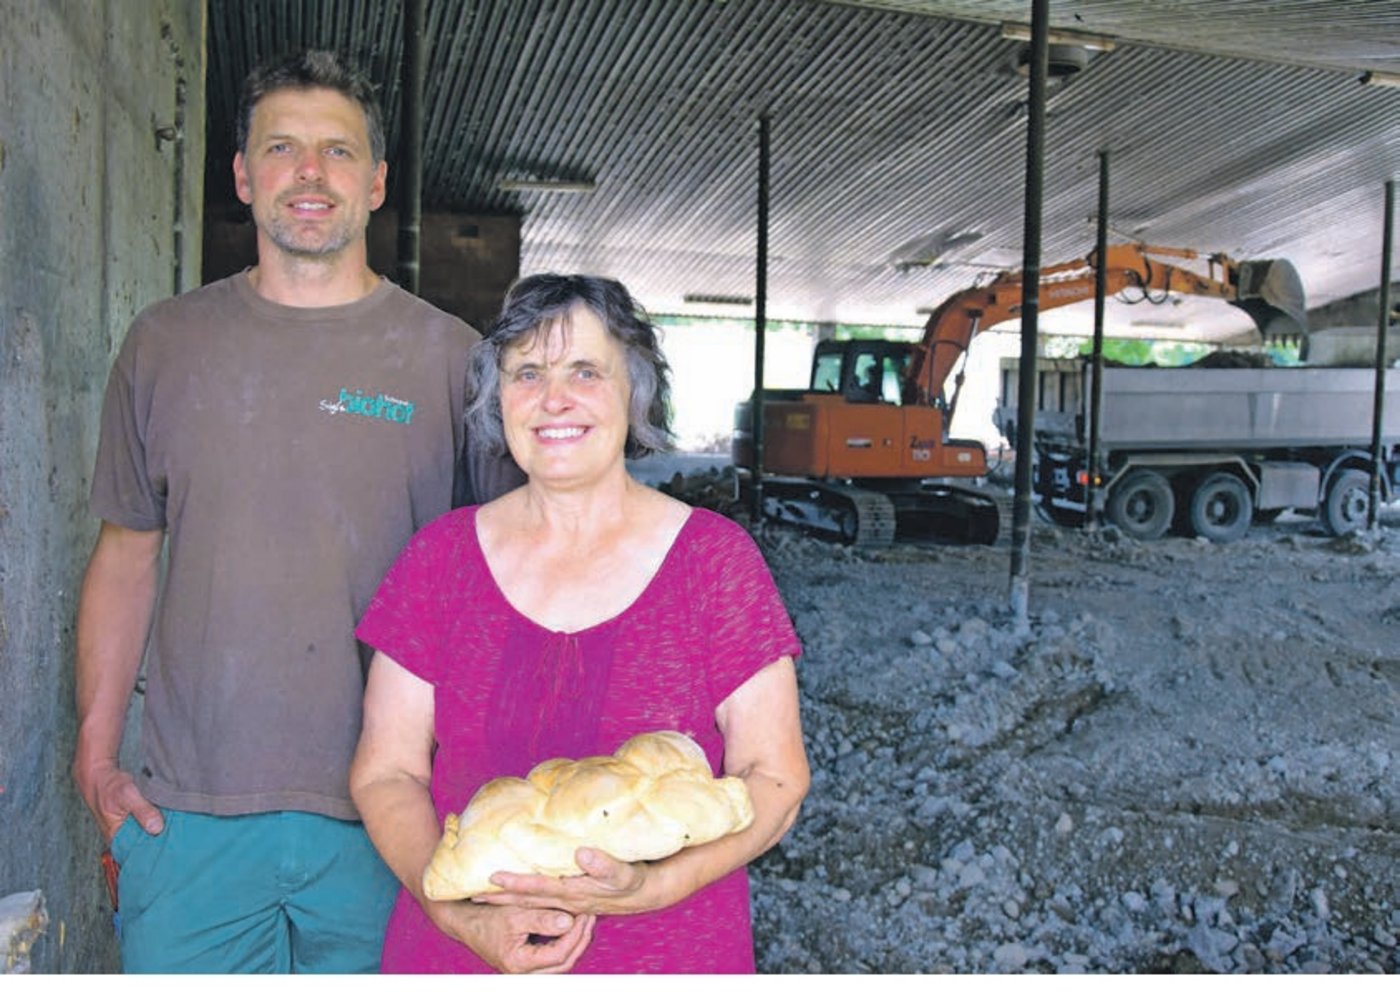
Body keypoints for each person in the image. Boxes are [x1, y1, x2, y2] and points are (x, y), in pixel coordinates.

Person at [71, 50, 520, 973]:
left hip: (392, 817)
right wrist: (96, 752)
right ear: (242, 174)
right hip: (189, 818)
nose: (310, 174)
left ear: (378, 180)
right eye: (281, 148)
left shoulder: (452, 360)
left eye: (338, 151)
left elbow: (513, 588)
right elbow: (124, 558)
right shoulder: (164, 345)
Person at [349, 274, 811, 974]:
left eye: (585, 372)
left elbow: (775, 780)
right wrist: (461, 917)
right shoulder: (439, 560)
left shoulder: (715, 563)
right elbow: (386, 774)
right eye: (527, 373)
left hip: (670, 959)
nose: (552, 399)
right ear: (496, 399)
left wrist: (655, 885)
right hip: (456, 962)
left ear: (636, 391)